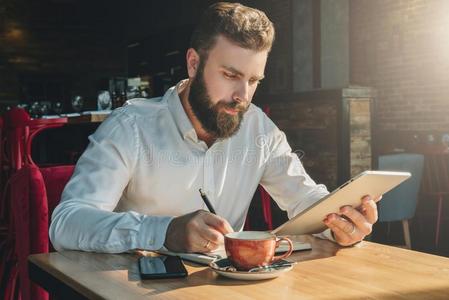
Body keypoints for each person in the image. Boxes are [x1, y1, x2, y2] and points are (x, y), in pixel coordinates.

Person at [50, 2, 379, 254]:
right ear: (194, 63)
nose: (243, 97)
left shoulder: (258, 130)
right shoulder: (130, 128)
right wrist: (165, 231)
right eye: (231, 76)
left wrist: (341, 223)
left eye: (253, 81)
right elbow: (66, 224)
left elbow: (305, 198)